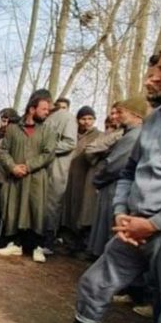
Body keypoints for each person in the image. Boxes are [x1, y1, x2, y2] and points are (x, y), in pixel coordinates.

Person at [31, 36, 161, 323]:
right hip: (133, 225)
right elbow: (130, 172)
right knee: (96, 279)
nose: (157, 76)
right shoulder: (156, 120)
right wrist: (123, 213)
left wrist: (154, 223)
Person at [0, 93, 56, 263]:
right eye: (44, 109)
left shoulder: (48, 130)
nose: (47, 112)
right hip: (15, 178)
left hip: (37, 178)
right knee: (14, 208)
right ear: (32, 109)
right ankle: (14, 244)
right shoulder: (13, 129)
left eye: (48, 110)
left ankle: (37, 247)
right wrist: (12, 167)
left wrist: (28, 166)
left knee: (36, 210)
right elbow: (3, 151)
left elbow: (48, 154)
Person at [86, 97, 147, 257]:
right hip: (112, 186)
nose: (117, 116)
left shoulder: (134, 136)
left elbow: (115, 165)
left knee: (109, 230)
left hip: (115, 187)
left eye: (121, 112)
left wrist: (98, 178)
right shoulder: (130, 134)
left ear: (136, 115)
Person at [39, 89, 78, 254]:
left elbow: (70, 142)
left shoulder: (66, 117)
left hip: (57, 166)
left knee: (52, 204)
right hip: (42, 166)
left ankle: (48, 242)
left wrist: (48, 149)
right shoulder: (46, 118)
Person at [60, 106, 102, 252]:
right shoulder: (72, 135)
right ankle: (68, 242)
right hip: (69, 177)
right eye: (83, 118)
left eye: (90, 118)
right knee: (68, 209)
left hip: (87, 179)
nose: (86, 122)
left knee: (84, 211)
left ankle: (83, 245)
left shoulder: (99, 136)